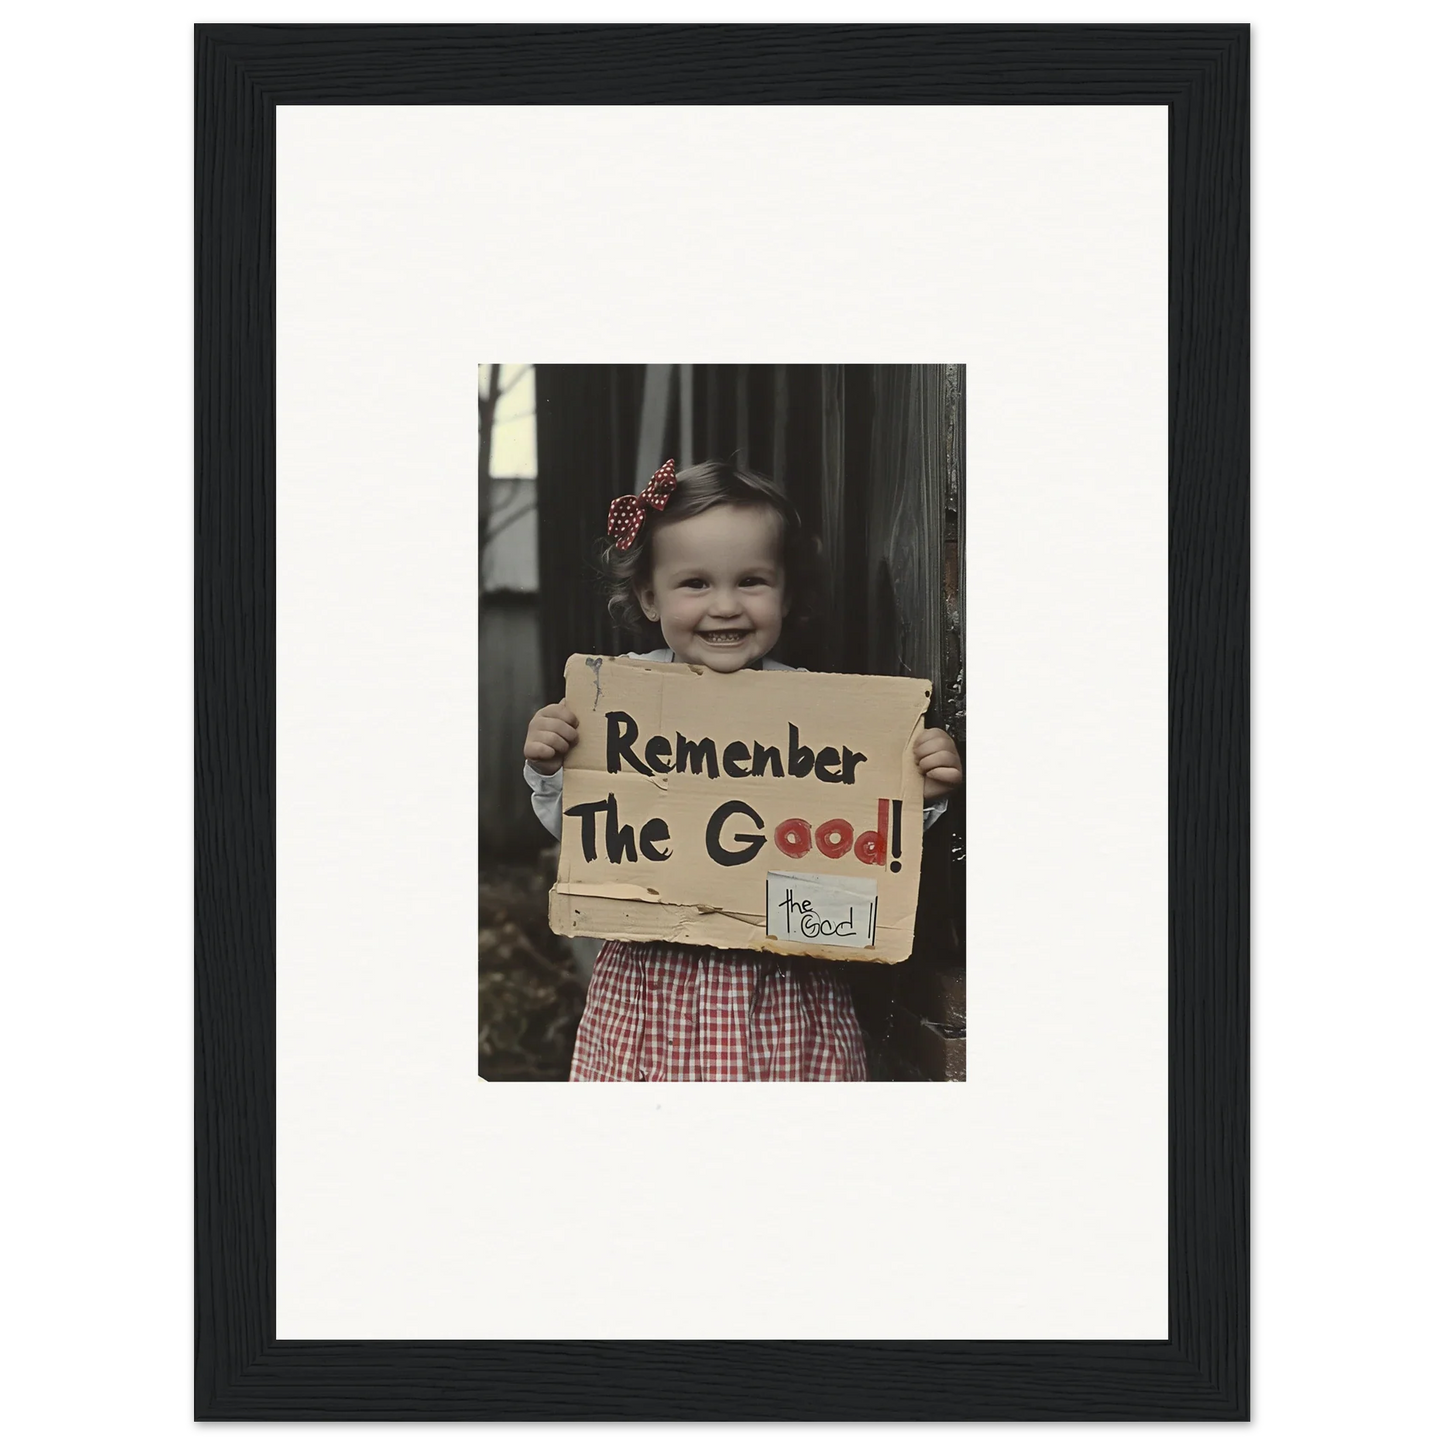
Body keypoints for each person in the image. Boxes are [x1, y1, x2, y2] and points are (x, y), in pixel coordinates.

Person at [523, 459, 962, 1081]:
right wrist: (551, 765)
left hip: (783, 987)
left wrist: (922, 790)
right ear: (650, 596)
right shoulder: (618, 700)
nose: (725, 606)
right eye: (695, 583)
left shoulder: (823, 715)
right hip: (654, 988)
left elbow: (861, 843)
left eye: (752, 581)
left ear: (785, 592)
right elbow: (586, 833)